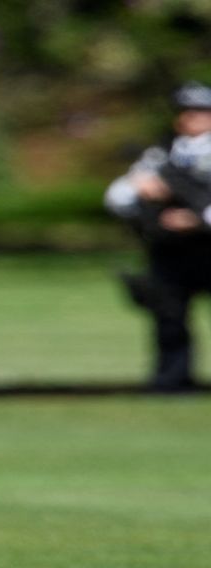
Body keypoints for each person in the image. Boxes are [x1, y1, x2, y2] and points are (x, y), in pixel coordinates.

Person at [105, 81, 211, 393]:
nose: (191, 119)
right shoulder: (161, 154)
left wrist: (196, 219)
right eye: (186, 112)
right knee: (169, 317)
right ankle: (172, 380)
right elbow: (118, 196)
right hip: (171, 250)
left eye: (200, 112)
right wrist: (144, 193)